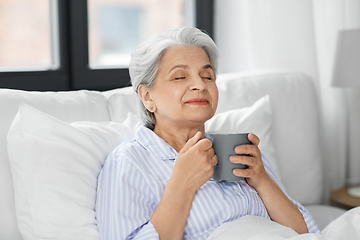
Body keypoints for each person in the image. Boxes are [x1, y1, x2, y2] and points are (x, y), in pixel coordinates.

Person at [96, 27, 320, 239]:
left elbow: (306, 232)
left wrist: (261, 179)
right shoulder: (129, 162)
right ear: (147, 97)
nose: (199, 85)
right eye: (180, 77)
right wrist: (182, 184)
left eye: (207, 76)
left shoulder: (238, 150)